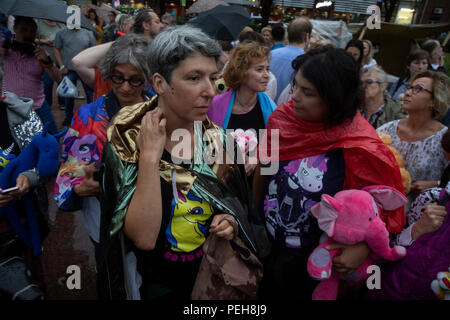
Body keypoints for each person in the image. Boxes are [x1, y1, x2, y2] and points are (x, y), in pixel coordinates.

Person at [98, 25, 267, 300]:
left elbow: (241, 209)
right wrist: (150, 157)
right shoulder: (127, 141)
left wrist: (229, 222)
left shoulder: (220, 143)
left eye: (213, 78)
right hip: (151, 284)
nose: (210, 91)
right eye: (194, 78)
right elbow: (143, 238)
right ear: (160, 83)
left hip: (211, 281)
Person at [254, 46, 405, 300]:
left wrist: (363, 246)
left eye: (308, 92)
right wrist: (254, 217)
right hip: (267, 247)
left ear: (335, 99)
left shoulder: (359, 145)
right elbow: (265, 168)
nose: (295, 97)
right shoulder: (283, 119)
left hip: (316, 265)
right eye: (296, 86)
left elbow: (384, 213)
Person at [54, 33, 152, 299]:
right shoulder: (88, 115)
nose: (125, 87)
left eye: (135, 80)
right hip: (103, 218)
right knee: (113, 279)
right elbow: (69, 170)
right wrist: (78, 186)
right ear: (109, 73)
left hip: (151, 215)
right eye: (118, 77)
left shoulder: (160, 114)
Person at [0, 73, 54, 296]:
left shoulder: (20, 113)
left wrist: (29, 178)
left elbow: (47, 160)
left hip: (22, 220)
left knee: (28, 285)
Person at [208, 40, 276, 178]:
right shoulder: (215, 105)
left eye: (267, 69)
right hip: (222, 185)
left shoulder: (271, 108)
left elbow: (274, 150)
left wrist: (256, 158)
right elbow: (203, 148)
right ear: (241, 72)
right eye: (259, 69)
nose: (267, 75)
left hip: (256, 188)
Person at [377, 71, 450, 198]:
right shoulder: (387, 130)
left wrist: (437, 184)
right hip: (383, 208)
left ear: (433, 101)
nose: (408, 92)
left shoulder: (444, 139)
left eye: (418, 89)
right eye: (409, 87)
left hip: (425, 213)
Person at [0, 16, 60, 135]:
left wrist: (47, 62)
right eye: (24, 29)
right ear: (15, 29)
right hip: (11, 108)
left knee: (52, 139)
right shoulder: (5, 50)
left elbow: (58, 79)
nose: (28, 34)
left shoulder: (41, 54)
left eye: (31, 31)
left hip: (38, 107)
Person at [54, 24, 97, 127]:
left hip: (85, 69)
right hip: (69, 70)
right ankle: (68, 117)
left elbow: (94, 49)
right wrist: (61, 66)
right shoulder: (61, 33)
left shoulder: (88, 33)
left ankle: (92, 117)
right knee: (68, 95)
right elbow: (56, 48)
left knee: (90, 93)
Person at [270, 16, 312, 102]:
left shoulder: (271, 53)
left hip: (266, 106)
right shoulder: (307, 61)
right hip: (287, 110)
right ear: (307, 37)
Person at [35, 19, 64, 110]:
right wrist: (44, 41)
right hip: (46, 58)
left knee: (61, 81)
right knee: (48, 82)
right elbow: (32, 39)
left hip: (60, 57)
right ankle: (47, 104)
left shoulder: (60, 25)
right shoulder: (39, 24)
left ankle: (62, 102)